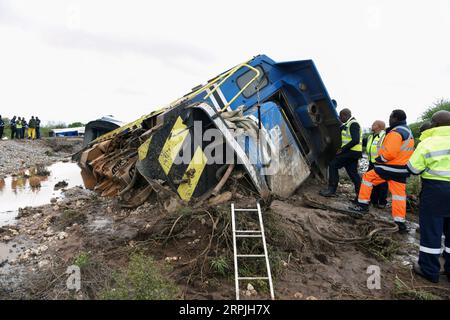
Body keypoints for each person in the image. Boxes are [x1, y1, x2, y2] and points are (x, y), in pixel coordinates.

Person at [350, 109, 415, 233]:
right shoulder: (408, 132)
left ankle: (363, 206)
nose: (389, 119)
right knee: (399, 196)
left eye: (390, 117)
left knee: (367, 178)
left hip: (389, 167)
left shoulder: (396, 132)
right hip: (401, 170)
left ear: (395, 118)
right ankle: (400, 223)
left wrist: (380, 159)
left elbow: (390, 152)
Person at [407, 110, 450, 283]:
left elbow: (413, 169)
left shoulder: (428, 142)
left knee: (432, 231)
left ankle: (429, 270)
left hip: (436, 190)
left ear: (436, 125)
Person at [319, 108, 362, 199]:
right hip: (353, 153)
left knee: (333, 165)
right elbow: (345, 130)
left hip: (350, 152)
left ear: (345, 115)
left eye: (340, 116)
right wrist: (339, 123)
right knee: (353, 174)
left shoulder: (353, 124)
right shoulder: (349, 124)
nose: (340, 117)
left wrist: (342, 149)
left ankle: (331, 189)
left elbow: (355, 140)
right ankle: (361, 196)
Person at [363, 120, 388, 208]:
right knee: (371, 181)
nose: (372, 125)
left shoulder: (384, 136)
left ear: (379, 126)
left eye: (374, 124)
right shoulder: (371, 136)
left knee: (382, 183)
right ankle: (373, 200)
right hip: (371, 162)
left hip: (381, 163)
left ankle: (382, 202)